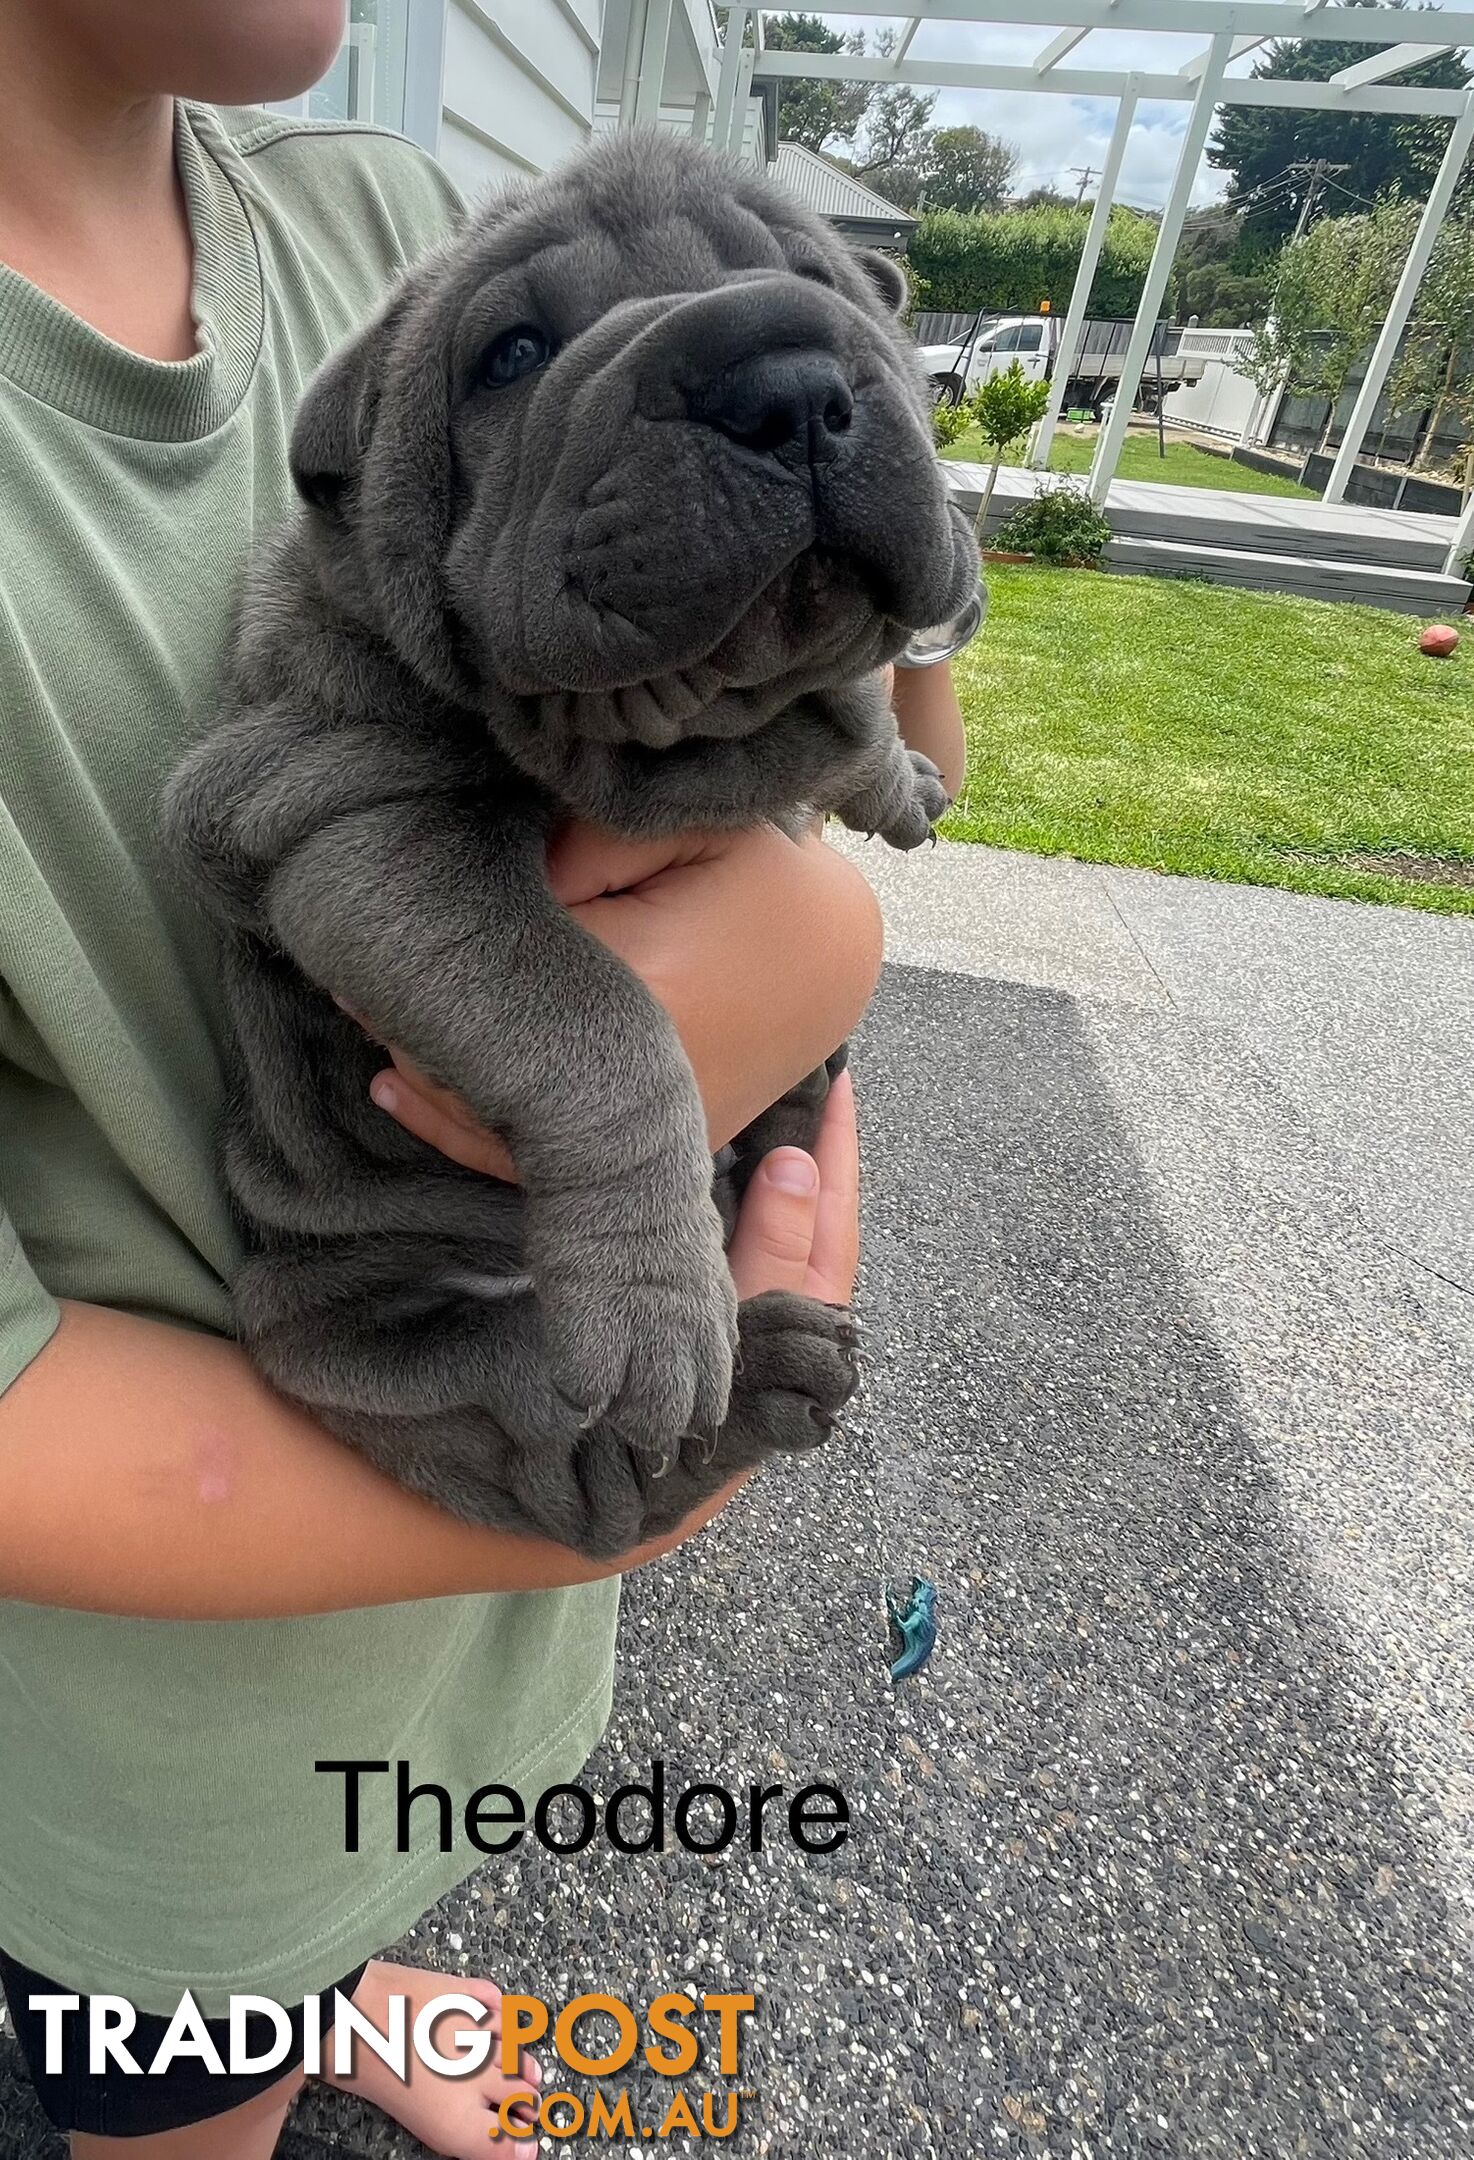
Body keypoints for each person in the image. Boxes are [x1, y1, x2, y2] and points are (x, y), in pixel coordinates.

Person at [0, 4, 965, 2155]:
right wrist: (613, 1503)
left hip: (431, 1640)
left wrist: (818, 912)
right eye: (520, 365)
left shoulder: (373, 216)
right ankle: (255, 2011)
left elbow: (813, 750)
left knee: (381, 1841)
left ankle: (335, 1978)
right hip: (164, 1734)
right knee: (186, 2067)